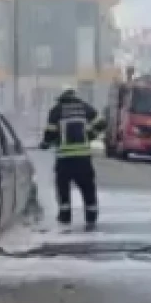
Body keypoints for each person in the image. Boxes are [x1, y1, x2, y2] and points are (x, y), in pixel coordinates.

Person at [40, 84, 105, 229]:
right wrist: (90, 136)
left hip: (65, 160)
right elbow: (102, 123)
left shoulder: (56, 111)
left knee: (63, 189)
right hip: (83, 159)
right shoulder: (85, 108)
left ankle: (65, 217)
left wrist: (45, 143)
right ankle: (91, 217)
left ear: (61, 98)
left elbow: (50, 133)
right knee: (88, 188)